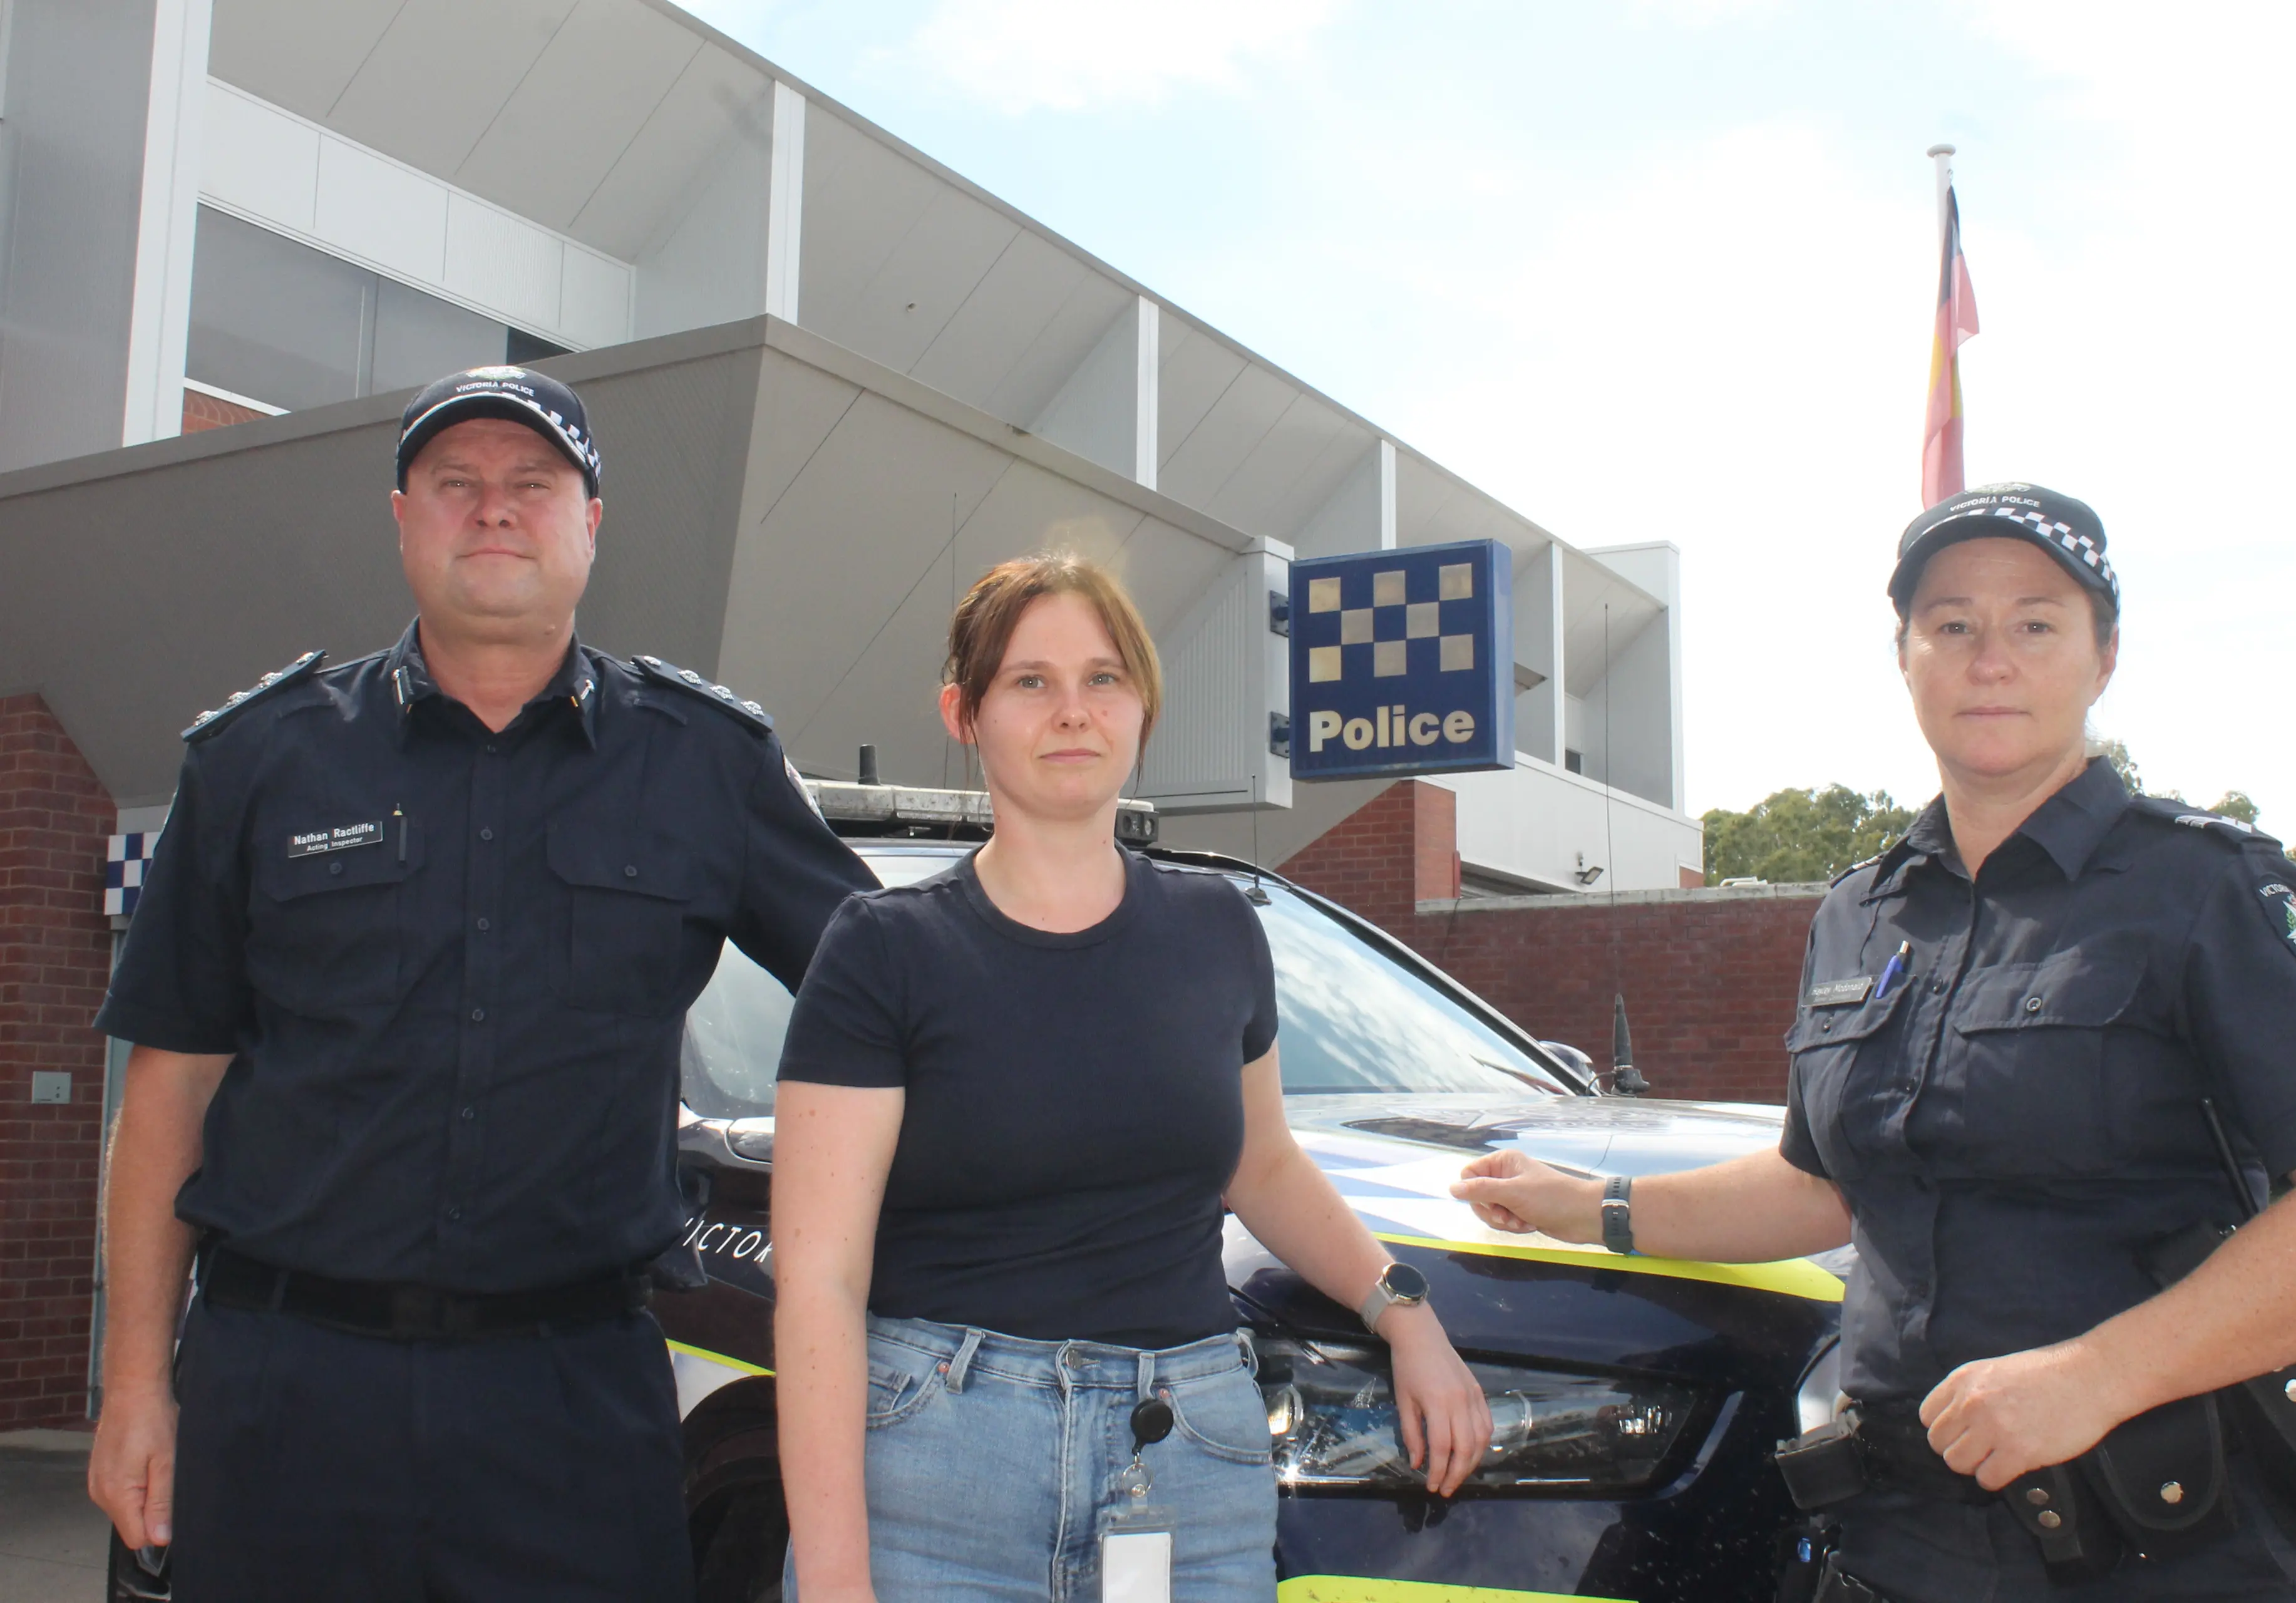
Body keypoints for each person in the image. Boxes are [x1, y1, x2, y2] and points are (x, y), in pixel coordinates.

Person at [1453, 482, 2296, 1601]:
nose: (1989, 657)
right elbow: (1824, 1187)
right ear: (1905, 657)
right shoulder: (1863, 911)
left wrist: (2099, 1375)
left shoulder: (2203, 890)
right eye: (1951, 624)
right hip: (1905, 1541)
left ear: (2104, 660)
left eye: (2036, 623)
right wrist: (1595, 1206)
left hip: (2184, 1542)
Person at [85, 364, 877, 1602]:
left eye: (532, 483)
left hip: (574, 1401)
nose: (494, 509)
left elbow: (896, 996)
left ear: (591, 524)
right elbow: (170, 1091)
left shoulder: (707, 765)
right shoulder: (259, 762)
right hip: (286, 1390)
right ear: (402, 517)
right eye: (457, 483)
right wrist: (136, 1383)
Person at [771, 551, 1491, 1602]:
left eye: (1103, 678)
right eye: (1031, 681)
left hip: (1188, 1472)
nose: (1074, 711)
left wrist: (1404, 1312)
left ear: (1142, 707)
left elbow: (1264, 1164)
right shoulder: (882, 952)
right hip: (936, 1478)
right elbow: (821, 1283)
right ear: (964, 713)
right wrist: (836, 1575)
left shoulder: (1217, 931)